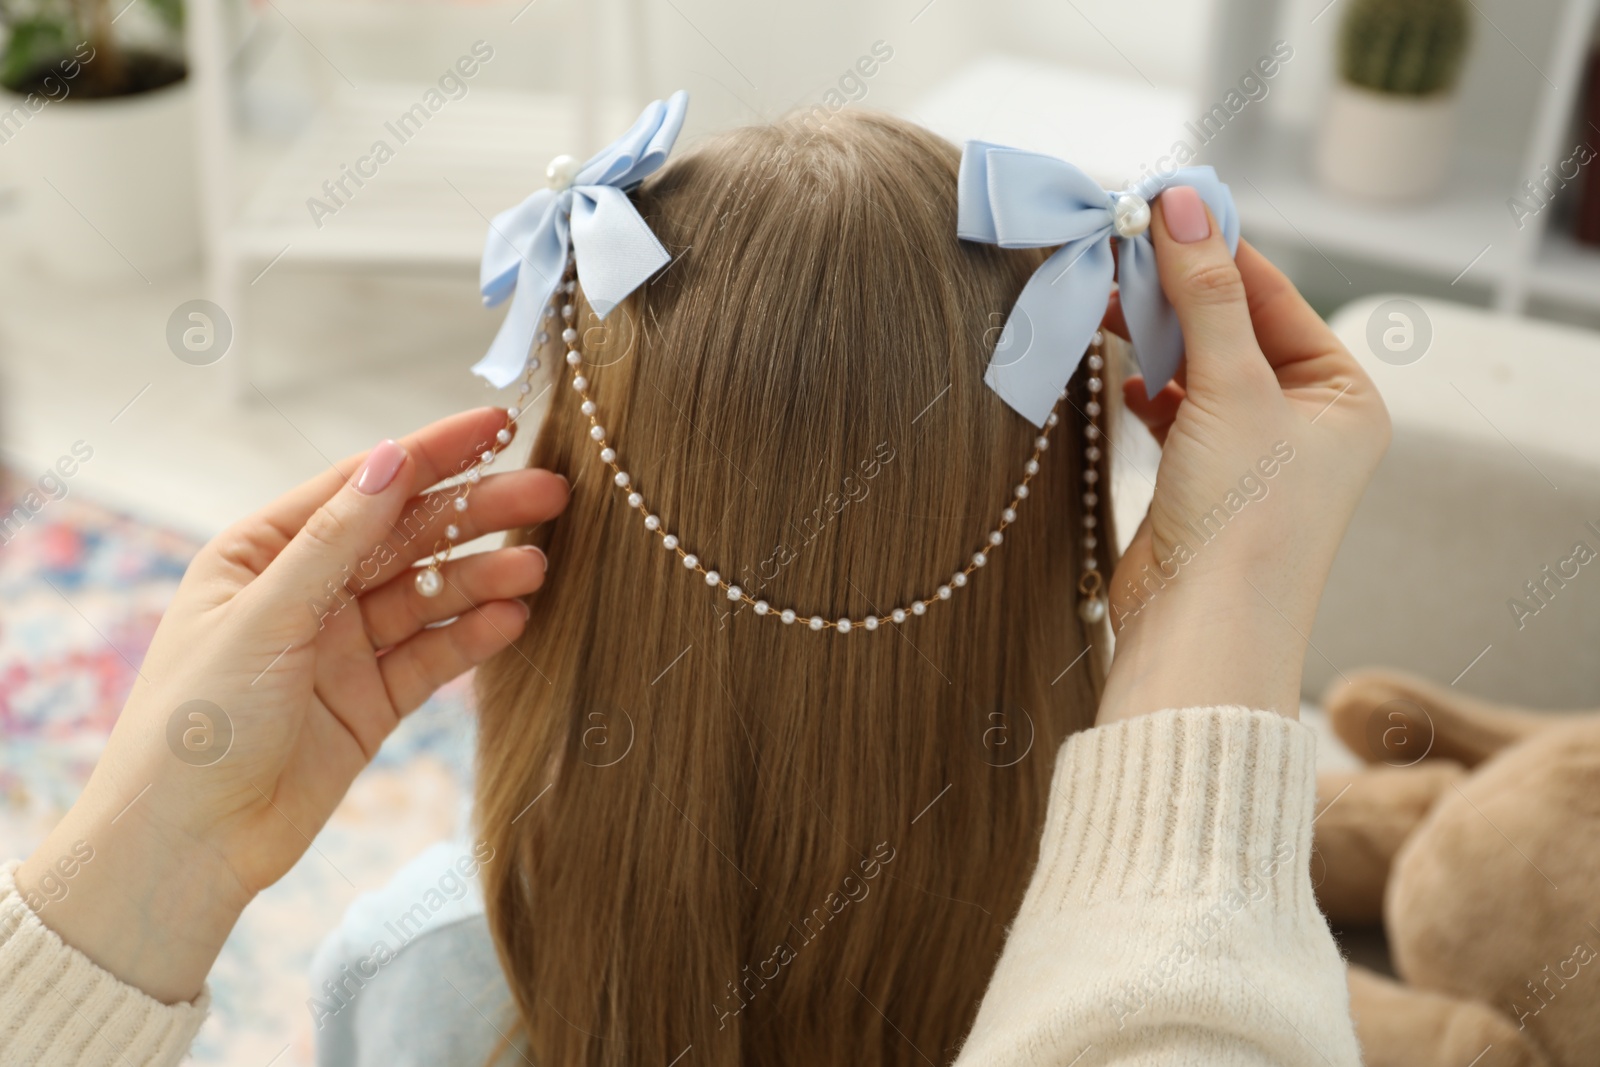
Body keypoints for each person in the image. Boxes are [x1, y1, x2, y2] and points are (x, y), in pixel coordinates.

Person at [0, 107, 1388, 1066]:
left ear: (573, 525)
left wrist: (147, 845)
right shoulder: (1183, 961)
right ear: (1065, 545)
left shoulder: (414, 971)